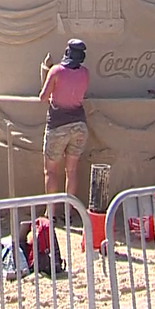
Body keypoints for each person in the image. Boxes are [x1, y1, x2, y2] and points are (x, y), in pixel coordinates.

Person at [38, 39, 90, 200]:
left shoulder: (56, 71)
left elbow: (43, 97)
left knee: (51, 171)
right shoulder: (85, 73)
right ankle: (69, 211)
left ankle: (51, 212)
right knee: (72, 171)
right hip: (79, 125)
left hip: (58, 124)